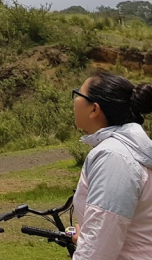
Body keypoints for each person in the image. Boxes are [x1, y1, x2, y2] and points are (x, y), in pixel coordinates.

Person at [72, 71, 152, 259]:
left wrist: (89, 241)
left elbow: (98, 248)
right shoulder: (132, 149)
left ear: (94, 109)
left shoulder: (114, 156)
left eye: (78, 94)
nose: (74, 101)